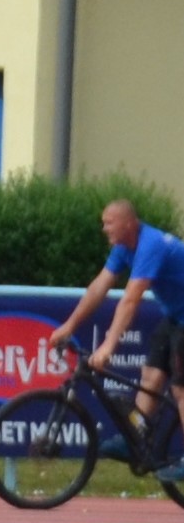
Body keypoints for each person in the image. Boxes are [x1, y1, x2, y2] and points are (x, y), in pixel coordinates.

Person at [46, 197, 184, 473]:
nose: (104, 229)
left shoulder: (151, 245)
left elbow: (131, 299)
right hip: (175, 316)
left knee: (181, 388)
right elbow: (99, 287)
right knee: (151, 375)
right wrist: (69, 325)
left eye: (109, 223)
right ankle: (138, 436)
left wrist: (108, 346)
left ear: (129, 223)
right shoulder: (123, 248)